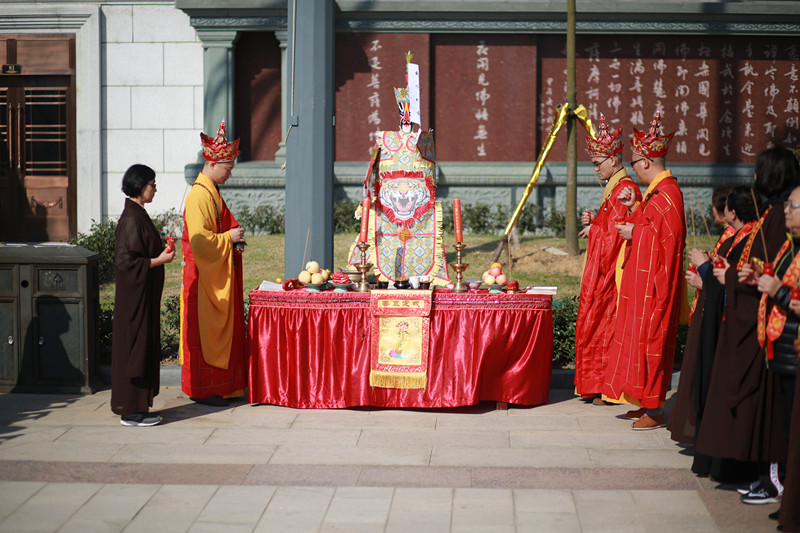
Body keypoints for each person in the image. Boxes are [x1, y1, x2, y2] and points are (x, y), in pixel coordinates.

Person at [696, 146, 800, 500]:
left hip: (777, 327)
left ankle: (774, 477)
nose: (791, 213)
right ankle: (767, 474)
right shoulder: (773, 216)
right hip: (767, 320)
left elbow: (771, 273)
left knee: (775, 411)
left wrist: (729, 279)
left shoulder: (776, 217)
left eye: (760, 172)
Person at [602, 109, 686, 430]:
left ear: (647, 163)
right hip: (643, 284)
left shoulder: (668, 196)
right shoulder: (656, 195)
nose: (633, 171)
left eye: (635, 164)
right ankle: (642, 400)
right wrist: (636, 209)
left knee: (652, 342)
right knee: (637, 341)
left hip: (656, 287)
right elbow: (652, 227)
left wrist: (635, 232)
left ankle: (655, 408)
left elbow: (666, 241)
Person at [574, 113, 641, 403]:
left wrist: (596, 230)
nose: (595, 169)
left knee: (603, 328)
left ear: (614, 160)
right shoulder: (614, 188)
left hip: (610, 275)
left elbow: (617, 236)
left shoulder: (625, 188)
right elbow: (609, 224)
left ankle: (604, 387)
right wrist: (595, 222)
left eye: (597, 163)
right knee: (596, 327)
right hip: (602, 271)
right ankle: (596, 386)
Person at [180, 119, 248, 406]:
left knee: (218, 335)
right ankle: (205, 390)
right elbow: (200, 242)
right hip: (203, 279)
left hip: (214, 273)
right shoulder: (199, 195)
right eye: (228, 169)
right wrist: (229, 239)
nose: (230, 174)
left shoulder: (211, 192)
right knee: (206, 336)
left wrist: (233, 238)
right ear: (212, 164)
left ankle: (224, 387)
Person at [668, 185, 735, 445]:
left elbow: (731, 281)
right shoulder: (730, 236)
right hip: (707, 305)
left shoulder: (738, 238)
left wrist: (704, 277)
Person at [111, 164, 176, 426]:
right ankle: (130, 410)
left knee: (142, 349)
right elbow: (125, 262)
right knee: (134, 350)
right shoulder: (131, 219)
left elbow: (142, 251)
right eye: (152, 183)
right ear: (139, 185)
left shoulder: (138, 214)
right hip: (134, 302)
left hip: (143, 297)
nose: (155, 188)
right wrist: (157, 260)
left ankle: (139, 407)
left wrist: (160, 252)